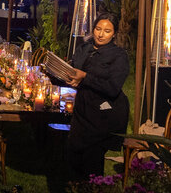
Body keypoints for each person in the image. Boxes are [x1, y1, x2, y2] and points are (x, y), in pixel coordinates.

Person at [52, 13, 130, 179]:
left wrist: (85, 77)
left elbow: (113, 88)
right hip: (82, 108)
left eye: (107, 31)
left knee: (92, 160)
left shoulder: (118, 56)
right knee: (73, 154)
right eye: (98, 29)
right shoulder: (84, 48)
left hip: (104, 113)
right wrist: (55, 72)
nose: (101, 34)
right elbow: (72, 72)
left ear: (114, 33)